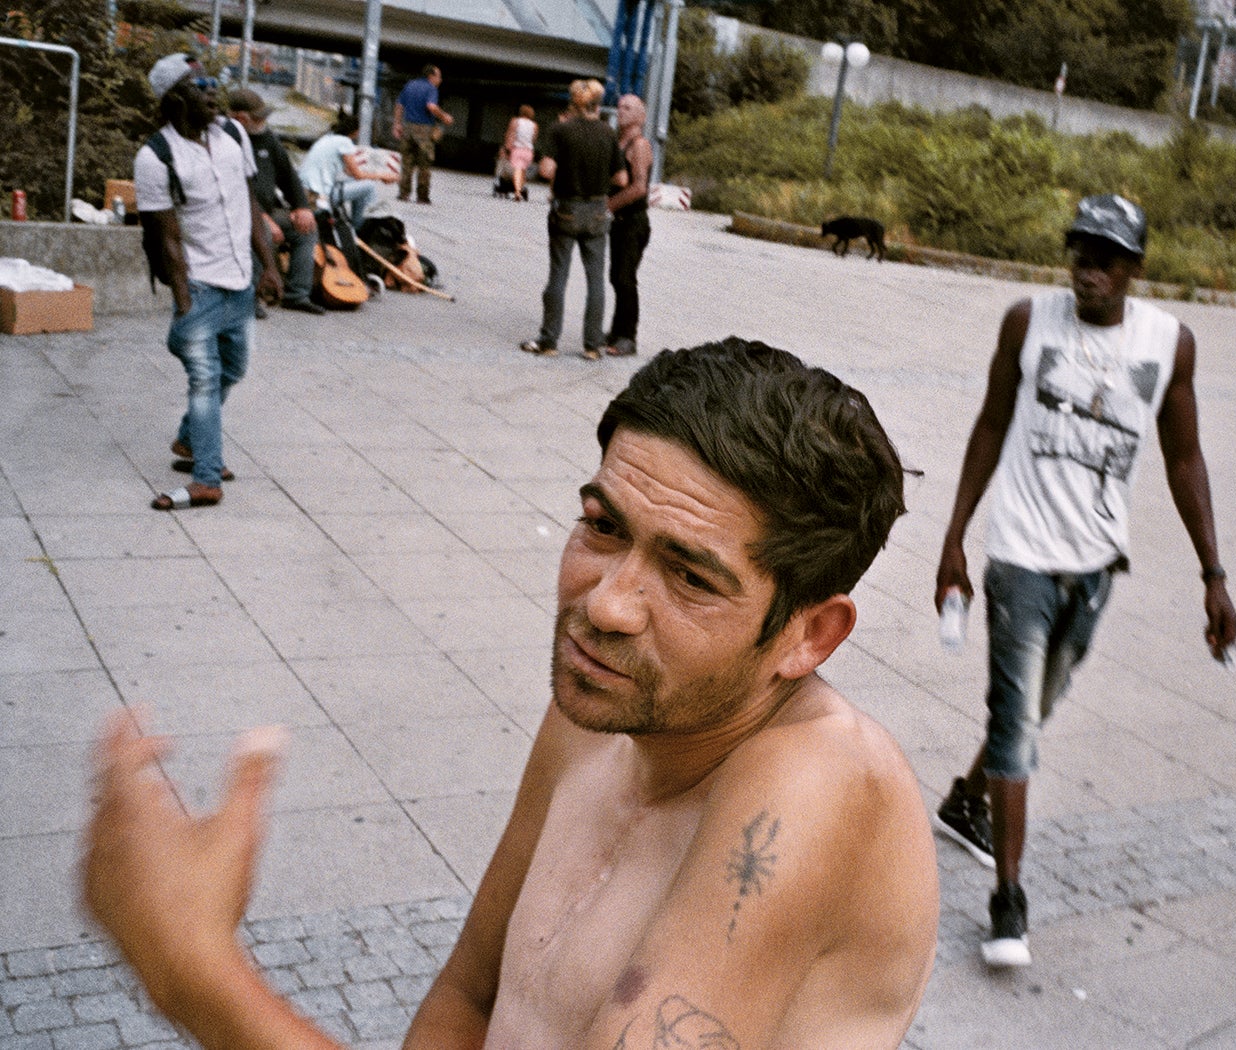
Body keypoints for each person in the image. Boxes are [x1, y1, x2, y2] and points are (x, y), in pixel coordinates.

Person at [82, 339, 940, 1049]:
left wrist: (192, 969)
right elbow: (470, 998)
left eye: (688, 576)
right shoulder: (608, 712)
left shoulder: (819, 786)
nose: (603, 604)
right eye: (603, 527)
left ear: (808, 635)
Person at [932, 194, 1236, 968]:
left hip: (1098, 564)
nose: (1086, 270)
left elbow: (1182, 458)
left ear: (1134, 268)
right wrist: (954, 540)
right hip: (1020, 556)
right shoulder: (1025, 323)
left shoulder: (1169, 343)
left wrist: (1213, 575)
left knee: (1033, 706)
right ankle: (1007, 899)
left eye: (1105, 258)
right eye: (1078, 253)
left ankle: (967, 799)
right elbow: (991, 423)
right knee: (1017, 726)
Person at [134, 54, 283, 512]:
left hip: (240, 280)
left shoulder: (234, 135)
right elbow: (167, 239)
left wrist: (270, 266)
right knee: (205, 378)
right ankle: (205, 477)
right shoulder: (155, 158)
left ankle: (188, 438)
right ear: (175, 99)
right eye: (201, 85)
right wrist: (183, 301)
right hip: (199, 285)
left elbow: (252, 207)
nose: (213, 91)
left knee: (234, 369)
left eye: (214, 82)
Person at [520, 79, 628, 361]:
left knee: (558, 275)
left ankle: (549, 341)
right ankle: (592, 345)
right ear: (597, 103)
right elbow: (622, 178)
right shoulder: (608, 133)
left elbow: (545, 169)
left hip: (566, 209)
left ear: (574, 103)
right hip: (596, 211)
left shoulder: (561, 130)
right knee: (596, 281)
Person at [226, 88, 325, 317]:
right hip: (238, 213)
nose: (264, 121)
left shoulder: (267, 139)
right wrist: (262, 217)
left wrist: (301, 207)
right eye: (258, 117)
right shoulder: (227, 141)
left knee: (306, 230)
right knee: (262, 233)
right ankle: (248, 298)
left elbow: (288, 176)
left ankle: (296, 294)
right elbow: (235, 188)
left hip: (266, 212)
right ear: (240, 118)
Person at [604, 93, 654, 358]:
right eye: (620, 106)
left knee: (625, 279)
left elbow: (638, 187)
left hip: (634, 222)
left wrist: (608, 206)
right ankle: (615, 330)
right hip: (619, 222)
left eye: (627, 108)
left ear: (639, 116)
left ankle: (627, 337)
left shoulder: (639, 145)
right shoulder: (618, 142)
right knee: (616, 277)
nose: (620, 111)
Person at [298, 113, 398, 231]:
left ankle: (359, 223)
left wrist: (376, 177)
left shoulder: (328, 138)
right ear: (356, 131)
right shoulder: (344, 142)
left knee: (361, 183)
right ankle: (361, 231)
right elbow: (358, 174)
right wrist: (382, 175)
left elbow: (349, 172)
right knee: (369, 187)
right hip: (318, 196)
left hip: (304, 191)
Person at [393, 64, 454, 204]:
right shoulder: (431, 88)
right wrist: (444, 117)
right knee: (424, 164)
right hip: (424, 129)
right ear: (431, 76)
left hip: (408, 127)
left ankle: (404, 194)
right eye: (439, 76)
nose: (440, 80)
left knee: (406, 163)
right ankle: (422, 196)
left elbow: (399, 105)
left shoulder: (409, 85)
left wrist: (397, 124)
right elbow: (431, 106)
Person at [504, 103, 537, 201]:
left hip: (517, 149)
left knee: (517, 170)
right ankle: (520, 188)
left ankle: (517, 192)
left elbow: (510, 135)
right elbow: (533, 139)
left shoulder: (515, 121)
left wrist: (507, 148)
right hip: (528, 151)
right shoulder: (534, 125)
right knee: (523, 171)